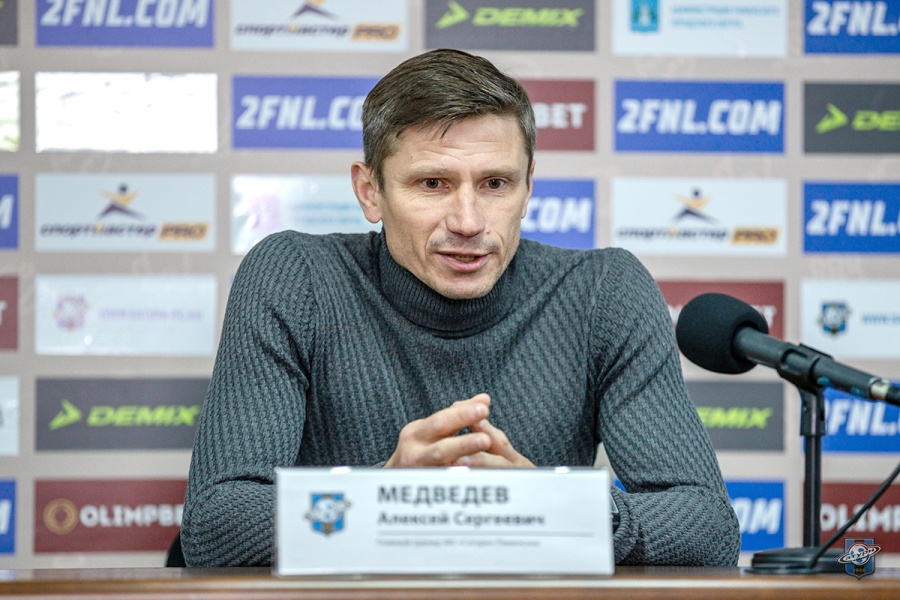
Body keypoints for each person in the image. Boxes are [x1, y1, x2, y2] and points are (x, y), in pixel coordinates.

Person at [181, 48, 740, 567]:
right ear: (370, 191)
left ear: (528, 188)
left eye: (495, 183)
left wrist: (548, 506)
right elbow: (214, 526)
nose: (468, 222)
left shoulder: (603, 293)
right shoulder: (295, 278)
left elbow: (708, 528)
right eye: (433, 183)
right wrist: (385, 496)